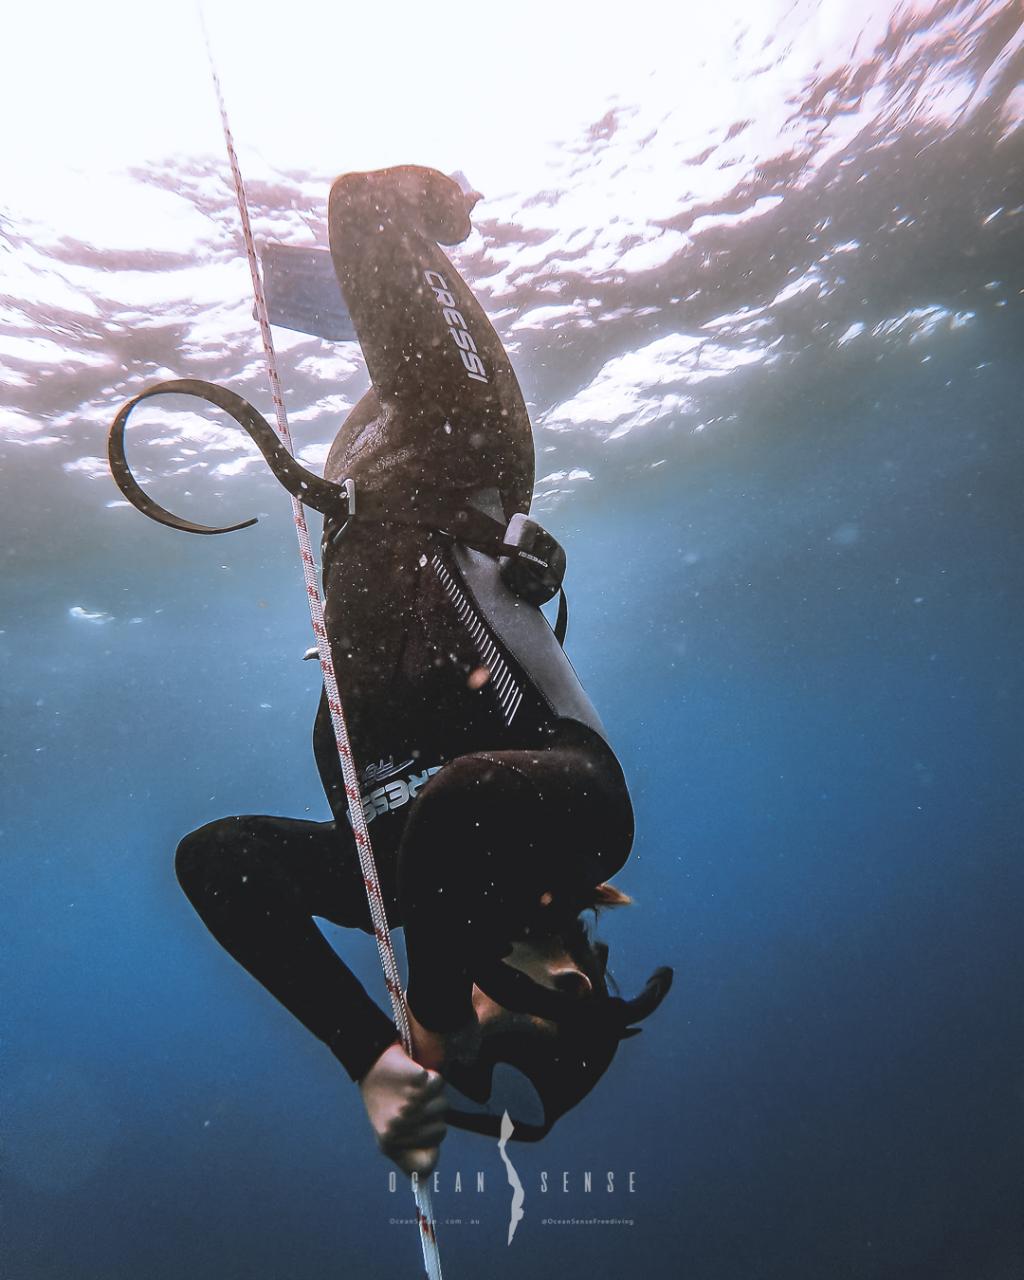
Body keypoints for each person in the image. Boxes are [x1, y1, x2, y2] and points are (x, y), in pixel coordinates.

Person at [113, 166, 671, 1177]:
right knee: (372, 206)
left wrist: (366, 1054)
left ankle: (332, 293)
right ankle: (446, 204)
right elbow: (464, 803)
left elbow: (219, 858)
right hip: (462, 441)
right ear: (571, 983)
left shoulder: (406, 897)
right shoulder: (590, 826)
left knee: (322, 273)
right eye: (505, 1033)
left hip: (359, 498)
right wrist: (439, 1005)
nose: (465, 1037)